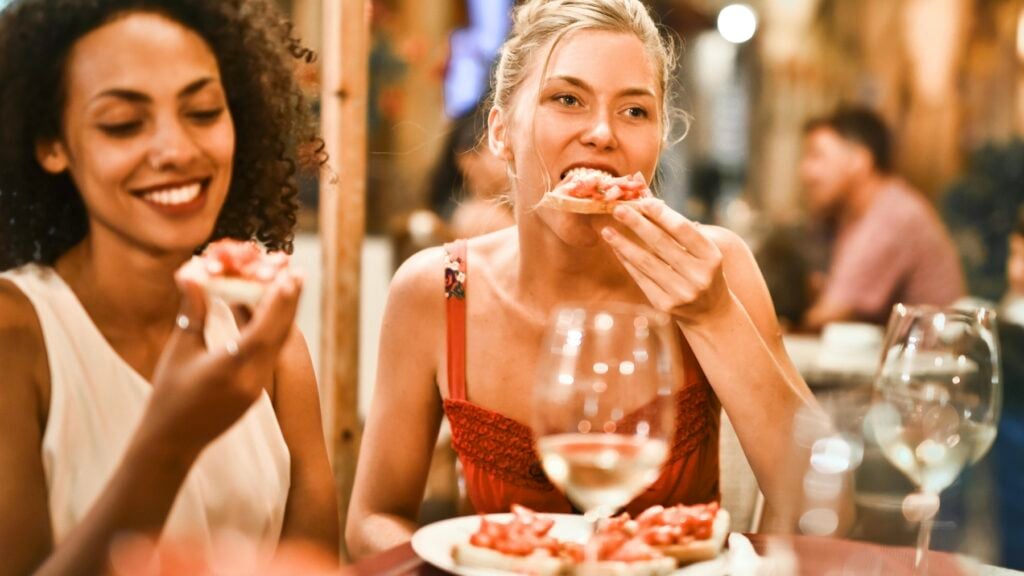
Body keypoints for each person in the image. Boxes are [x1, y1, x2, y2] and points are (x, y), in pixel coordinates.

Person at [347, 0, 817, 557]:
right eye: (566, 100)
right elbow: (372, 519)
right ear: (501, 133)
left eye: (635, 111)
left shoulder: (716, 264)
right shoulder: (437, 289)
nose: (602, 133)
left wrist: (712, 314)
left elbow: (818, 503)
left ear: (660, 139)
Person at [0, 1, 339, 574]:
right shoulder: (17, 337)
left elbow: (315, 563)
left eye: (203, 112)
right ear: (51, 144)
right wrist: (171, 442)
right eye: (123, 125)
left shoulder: (267, 342)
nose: (178, 151)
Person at [799, 106, 965, 330]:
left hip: (932, 357)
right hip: (904, 354)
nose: (806, 170)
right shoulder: (858, 213)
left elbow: (829, 314)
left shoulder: (891, 216)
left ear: (859, 160)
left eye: (817, 155)